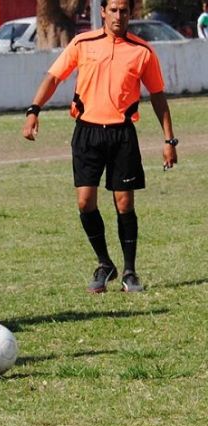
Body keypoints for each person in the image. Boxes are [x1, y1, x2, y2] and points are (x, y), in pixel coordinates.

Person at [22, 0, 177, 293]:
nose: (119, 16)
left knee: (125, 203)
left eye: (124, 10)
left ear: (130, 14)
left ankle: (130, 272)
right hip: (87, 133)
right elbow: (53, 76)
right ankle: (105, 263)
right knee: (85, 202)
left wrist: (169, 140)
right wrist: (33, 110)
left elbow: (158, 96)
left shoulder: (142, 51)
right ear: (103, 12)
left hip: (122, 135)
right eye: (113, 10)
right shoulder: (83, 43)